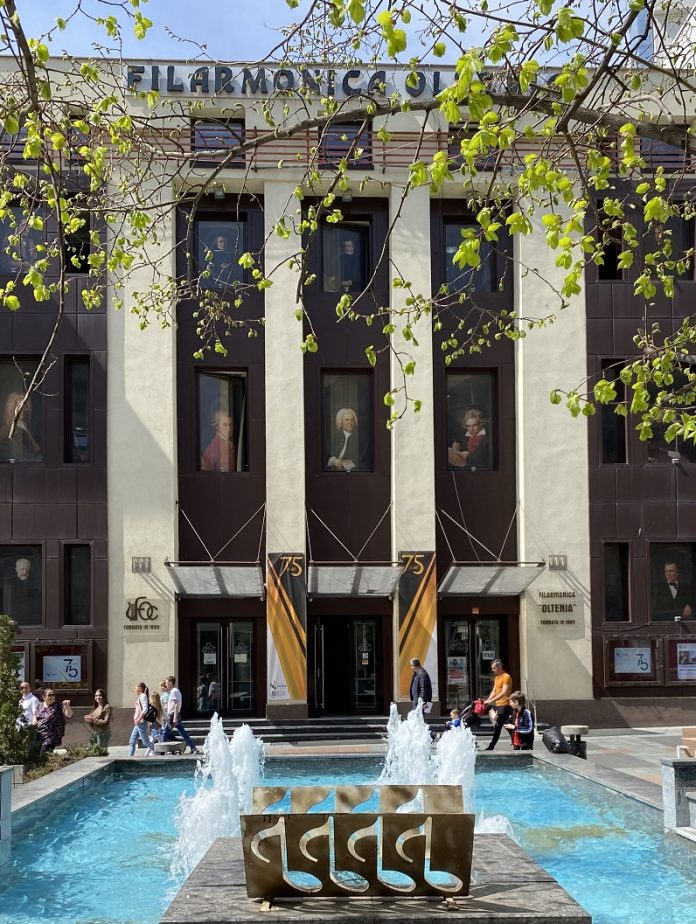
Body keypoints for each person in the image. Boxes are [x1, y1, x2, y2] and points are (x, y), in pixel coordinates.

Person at [0, 391, 41, 462]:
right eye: (19, 411)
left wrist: (27, 432)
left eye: (25, 411)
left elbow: (37, 451)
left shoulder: (31, 429)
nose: (22, 415)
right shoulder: (5, 430)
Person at [162, 675, 199, 754]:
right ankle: (193, 748)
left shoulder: (173, 691)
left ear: (171, 682)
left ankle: (164, 751)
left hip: (172, 715)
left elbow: (176, 705)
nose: (165, 684)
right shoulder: (176, 691)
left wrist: (175, 717)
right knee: (182, 733)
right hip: (174, 714)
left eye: (166, 683)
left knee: (164, 733)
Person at [482, 658, 513, 751]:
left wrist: (491, 701)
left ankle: (492, 746)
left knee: (500, 725)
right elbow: (494, 691)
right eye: (492, 668)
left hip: (505, 705)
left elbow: (504, 692)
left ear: (499, 667)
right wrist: (488, 700)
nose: (492, 670)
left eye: (494, 668)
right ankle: (516, 741)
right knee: (502, 725)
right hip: (498, 705)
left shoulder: (506, 677)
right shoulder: (497, 678)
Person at [3, 555, 41, 626]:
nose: (25, 572)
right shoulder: (10, 583)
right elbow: (8, 603)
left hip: (31, 619)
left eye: (27, 569)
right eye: (22, 569)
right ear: (16, 569)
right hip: (15, 620)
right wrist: (10, 619)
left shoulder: (32, 582)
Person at [327, 407, 367, 472]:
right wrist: (334, 461)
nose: (350, 422)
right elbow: (327, 456)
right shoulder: (335, 437)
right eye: (347, 420)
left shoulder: (360, 439)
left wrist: (342, 464)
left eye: (352, 420)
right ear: (341, 422)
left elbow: (360, 461)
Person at [34, 689, 72, 755]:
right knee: (36, 753)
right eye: (50, 695)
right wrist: (34, 722)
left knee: (44, 752)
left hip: (52, 735)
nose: (52, 697)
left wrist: (67, 706)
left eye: (53, 695)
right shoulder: (39, 706)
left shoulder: (58, 706)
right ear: (44, 697)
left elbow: (69, 715)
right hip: (40, 734)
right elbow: (35, 716)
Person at [127, 682, 154, 757]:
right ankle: (129, 758)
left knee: (146, 742)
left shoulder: (143, 696)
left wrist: (139, 719)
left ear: (140, 688)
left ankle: (160, 751)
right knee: (132, 742)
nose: (135, 690)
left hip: (141, 723)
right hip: (138, 723)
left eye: (136, 688)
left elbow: (145, 709)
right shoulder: (141, 696)